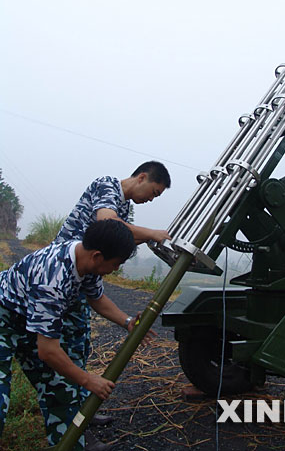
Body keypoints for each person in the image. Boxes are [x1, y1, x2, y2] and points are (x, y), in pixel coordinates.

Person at [0, 219, 154, 450]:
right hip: (4, 317)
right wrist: (88, 379)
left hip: (29, 320)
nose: (115, 270)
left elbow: (97, 299)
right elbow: (48, 351)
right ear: (98, 256)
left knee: (61, 389)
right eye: (115, 264)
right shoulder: (52, 279)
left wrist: (128, 321)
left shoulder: (86, 260)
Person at [52, 160, 171, 450]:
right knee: (63, 353)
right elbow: (108, 224)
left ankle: (83, 411)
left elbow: (121, 238)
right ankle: (71, 430)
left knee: (79, 347)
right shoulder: (107, 185)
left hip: (85, 279)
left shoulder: (125, 209)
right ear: (142, 177)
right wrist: (153, 233)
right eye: (153, 192)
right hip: (65, 275)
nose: (151, 199)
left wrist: (128, 321)